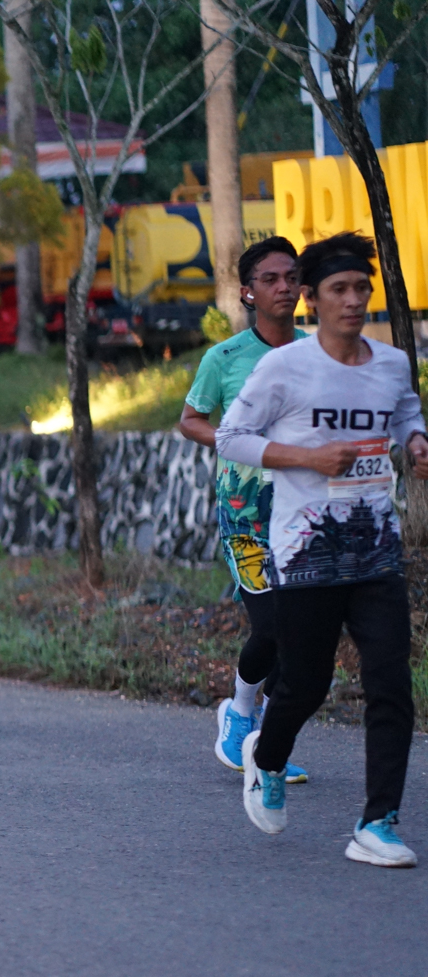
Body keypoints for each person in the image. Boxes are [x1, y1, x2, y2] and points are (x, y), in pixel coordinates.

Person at [216, 231, 428, 869]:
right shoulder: (285, 367)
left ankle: (377, 822)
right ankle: (266, 755)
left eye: (362, 288)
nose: (354, 300)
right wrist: (307, 458)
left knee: (391, 684)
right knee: (305, 683)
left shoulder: (391, 363)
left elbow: (405, 413)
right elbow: (231, 436)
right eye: (340, 289)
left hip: (375, 550)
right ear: (312, 298)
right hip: (305, 550)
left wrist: (416, 443)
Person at [178, 236, 309, 783]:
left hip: (306, 514)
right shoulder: (225, 358)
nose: (284, 287)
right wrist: (236, 442)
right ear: (247, 292)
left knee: (303, 635)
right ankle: (240, 715)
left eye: (292, 277)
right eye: (271, 279)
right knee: (272, 627)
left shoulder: (317, 354)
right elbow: (191, 420)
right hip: (246, 514)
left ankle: (267, 742)